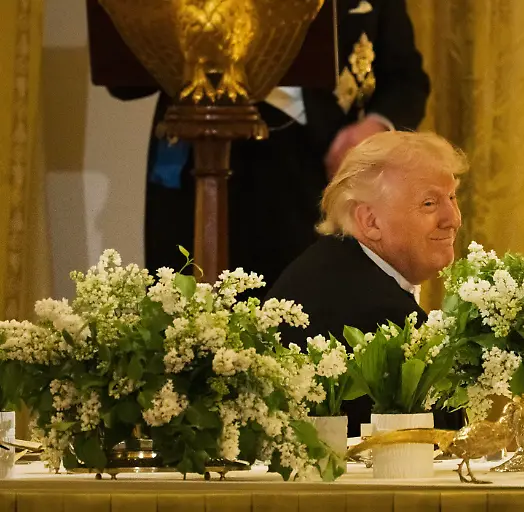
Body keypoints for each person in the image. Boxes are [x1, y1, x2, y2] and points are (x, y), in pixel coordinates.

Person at [108, 0, 430, 289]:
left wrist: (373, 128)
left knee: (302, 325)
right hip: (195, 152)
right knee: (190, 323)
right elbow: (122, 79)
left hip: (314, 164)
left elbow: (406, 79)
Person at [266, 131, 466, 435]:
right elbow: (441, 443)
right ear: (370, 221)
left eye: (451, 197)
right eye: (429, 203)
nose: (452, 218)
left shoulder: (334, 266)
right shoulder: (377, 313)